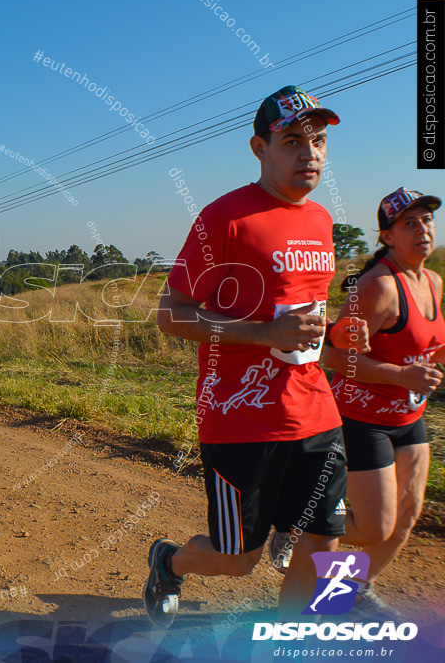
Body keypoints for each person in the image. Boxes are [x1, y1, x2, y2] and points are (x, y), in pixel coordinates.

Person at [142, 86, 368, 625]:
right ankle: (169, 560)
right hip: (240, 420)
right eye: (292, 140)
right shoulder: (225, 219)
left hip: (315, 411)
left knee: (323, 541)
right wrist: (267, 334)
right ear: (258, 148)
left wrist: (335, 333)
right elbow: (171, 314)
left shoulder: (320, 222)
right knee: (236, 561)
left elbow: (302, 314)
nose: (309, 153)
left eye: (318, 140)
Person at [322, 188, 443, 617]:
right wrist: (402, 375)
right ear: (387, 237)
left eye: (426, 220)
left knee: (407, 517)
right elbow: (333, 355)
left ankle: (348, 592)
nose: (422, 229)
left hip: (409, 416)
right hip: (360, 418)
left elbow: (425, 344)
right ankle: (302, 522)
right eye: (409, 223)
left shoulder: (433, 281)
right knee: (375, 526)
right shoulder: (378, 287)